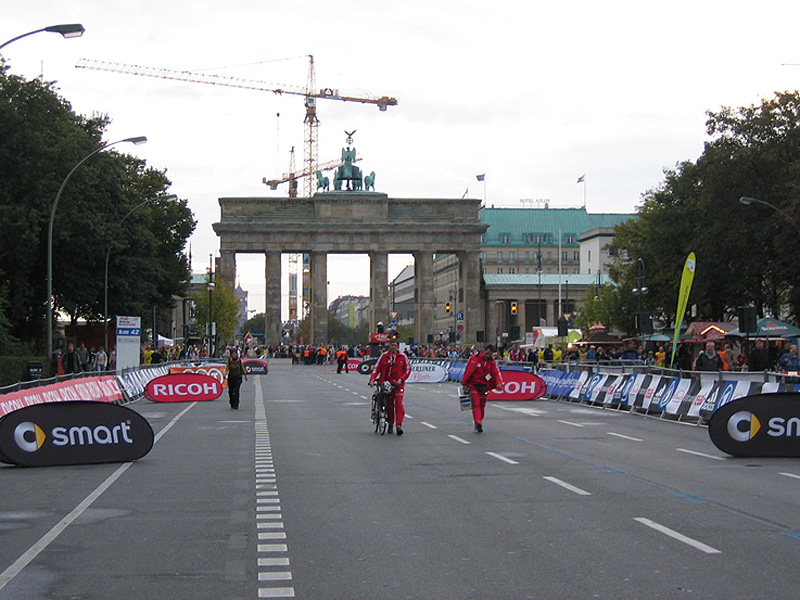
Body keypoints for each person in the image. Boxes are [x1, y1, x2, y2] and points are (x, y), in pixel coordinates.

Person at [368, 340, 411, 435]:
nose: (393, 347)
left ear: (398, 347)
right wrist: (372, 379)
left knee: (398, 404)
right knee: (389, 405)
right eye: (392, 345)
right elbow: (376, 368)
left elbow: (408, 370)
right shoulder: (384, 356)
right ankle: (390, 423)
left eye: (395, 345)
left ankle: (399, 425)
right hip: (386, 384)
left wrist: (401, 379)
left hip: (398, 384)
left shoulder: (403, 356)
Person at [461, 344, 504, 433]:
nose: (488, 356)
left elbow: (495, 373)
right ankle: (477, 421)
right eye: (487, 354)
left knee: (482, 405)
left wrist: (499, 383)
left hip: (485, 386)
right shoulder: (474, 359)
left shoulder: (491, 362)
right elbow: (468, 371)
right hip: (474, 385)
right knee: (476, 404)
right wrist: (464, 383)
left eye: (490, 354)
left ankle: (479, 421)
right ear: (483, 351)